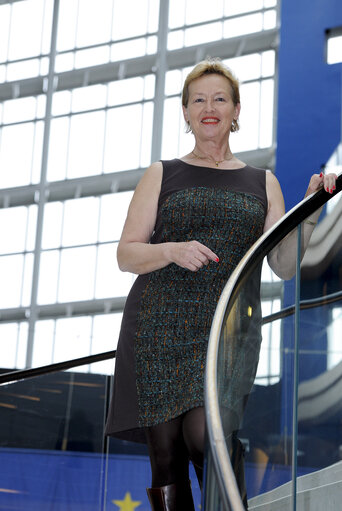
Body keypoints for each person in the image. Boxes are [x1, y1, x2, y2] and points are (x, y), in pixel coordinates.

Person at [104, 58, 337, 510]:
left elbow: (284, 266)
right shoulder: (162, 173)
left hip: (226, 331)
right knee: (166, 452)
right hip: (157, 328)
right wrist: (170, 249)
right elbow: (126, 253)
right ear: (187, 113)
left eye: (219, 98)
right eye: (198, 100)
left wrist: (308, 215)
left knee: (203, 435)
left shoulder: (263, 182)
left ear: (235, 110)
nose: (208, 107)